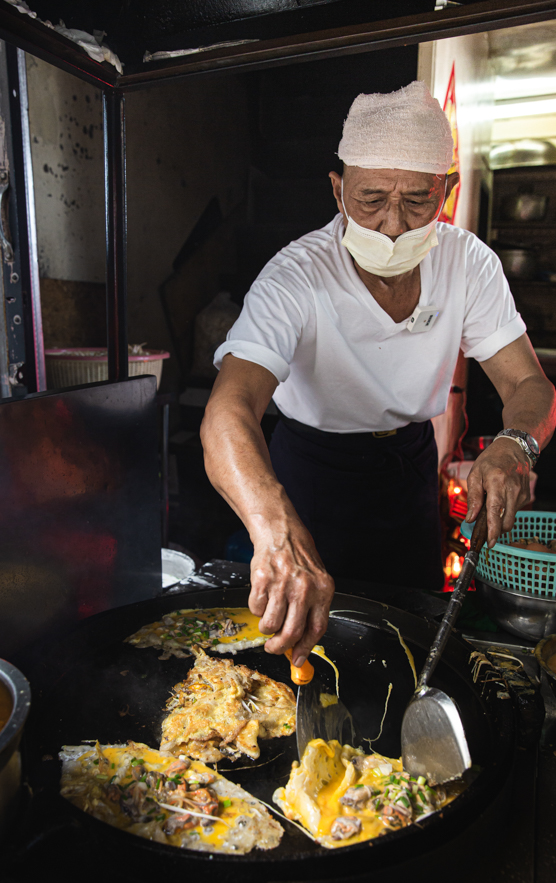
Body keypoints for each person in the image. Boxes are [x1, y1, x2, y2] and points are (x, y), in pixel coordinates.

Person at [200, 81, 556, 667]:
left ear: (446, 190)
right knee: (302, 651)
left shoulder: (468, 264)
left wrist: (515, 444)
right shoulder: (297, 275)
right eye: (370, 199)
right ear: (337, 190)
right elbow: (227, 413)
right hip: (311, 472)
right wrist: (273, 525)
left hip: (407, 472)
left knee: (409, 640)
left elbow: (529, 384)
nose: (393, 224)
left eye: (417, 201)